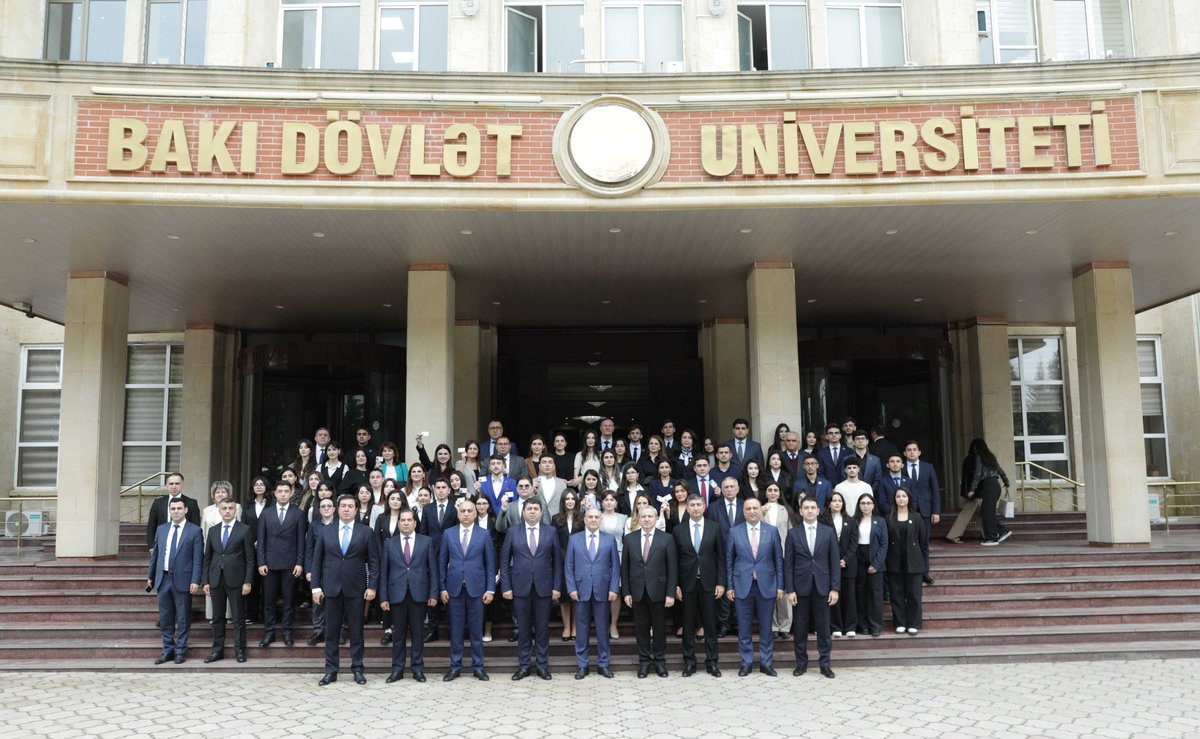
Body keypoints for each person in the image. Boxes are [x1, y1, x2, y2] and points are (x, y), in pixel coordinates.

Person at [312, 494, 381, 686]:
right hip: (331, 589)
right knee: (331, 632)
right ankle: (330, 670)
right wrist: (315, 587)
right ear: (337, 508)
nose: (346, 509)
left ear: (356, 510)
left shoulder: (366, 532)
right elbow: (316, 562)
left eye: (351, 506)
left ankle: (357, 669)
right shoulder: (326, 531)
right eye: (343, 506)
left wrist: (372, 586)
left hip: (356, 590)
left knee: (357, 632)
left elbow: (374, 563)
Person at [500, 496, 561, 680]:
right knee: (523, 630)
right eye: (529, 509)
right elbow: (504, 561)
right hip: (520, 588)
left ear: (541, 512)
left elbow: (558, 561)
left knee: (542, 630)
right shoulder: (512, 532)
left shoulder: (550, 532)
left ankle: (542, 666)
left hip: (544, 588)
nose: (532, 511)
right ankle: (524, 666)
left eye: (536, 508)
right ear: (523, 512)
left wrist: (557, 586)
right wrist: (506, 587)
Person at [439, 498, 496, 681]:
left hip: (477, 590)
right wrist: (442, 588)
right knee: (455, 631)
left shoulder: (484, 534)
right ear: (457, 514)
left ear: (475, 513)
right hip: (454, 590)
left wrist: (490, 589)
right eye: (462, 511)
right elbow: (441, 563)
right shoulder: (448, 534)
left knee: (476, 632)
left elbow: (490, 565)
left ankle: (478, 667)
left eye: (469, 511)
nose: (466, 514)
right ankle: (455, 667)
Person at [379, 508, 438, 683]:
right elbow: (384, 572)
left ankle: (417, 669)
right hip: (396, 595)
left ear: (415, 523)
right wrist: (383, 597)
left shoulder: (426, 542)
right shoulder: (389, 543)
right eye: (402, 520)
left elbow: (433, 571)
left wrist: (434, 593)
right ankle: (397, 669)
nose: (405, 523)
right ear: (398, 524)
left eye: (409, 520)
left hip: (419, 594)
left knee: (418, 635)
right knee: (398, 636)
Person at [726, 497, 783, 676]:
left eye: (755, 508)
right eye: (748, 508)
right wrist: (729, 586)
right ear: (743, 511)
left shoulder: (772, 531)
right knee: (744, 627)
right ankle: (747, 662)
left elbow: (778, 560)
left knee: (766, 627)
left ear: (761, 510)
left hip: (767, 585)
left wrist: (780, 585)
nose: (752, 511)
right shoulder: (734, 531)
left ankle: (766, 663)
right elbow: (729, 561)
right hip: (742, 585)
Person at [785, 496, 840, 679]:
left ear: (818, 511)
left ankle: (825, 664)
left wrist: (835, 588)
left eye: (812, 507)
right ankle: (801, 664)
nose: (809, 510)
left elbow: (834, 562)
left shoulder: (828, 532)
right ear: (800, 511)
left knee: (824, 629)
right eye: (806, 507)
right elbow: (789, 564)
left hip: (823, 588)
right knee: (800, 628)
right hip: (800, 589)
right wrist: (790, 590)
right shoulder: (793, 533)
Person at [672, 494, 726, 677]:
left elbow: (720, 557)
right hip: (686, 584)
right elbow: (674, 560)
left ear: (704, 507)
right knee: (688, 625)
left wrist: (721, 582)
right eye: (692, 505)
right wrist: (675, 585)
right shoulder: (678, 530)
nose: (695, 508)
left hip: (709, 583)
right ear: (687, 508)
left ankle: (712, 662)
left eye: (698, 504)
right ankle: (689, 662)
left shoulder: (714, 527)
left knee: (710, 624)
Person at [622, 505, 678, 678]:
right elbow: (625, 568)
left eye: (650, 516)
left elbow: (672, 568)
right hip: (637, 592)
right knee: (641, 630)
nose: (646, 519)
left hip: (659, 592)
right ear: (638, 519)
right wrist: (627, 592)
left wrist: (670, 593)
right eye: (643, 516)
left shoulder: (667, 539)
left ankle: (660, 662)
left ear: (656, 519)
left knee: (660, 629)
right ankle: (644, 662)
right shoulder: (630, 539)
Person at [565, 507, 620, 680]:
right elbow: (569, 566)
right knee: (582, 630)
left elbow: (615, 567)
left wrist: (613, 588)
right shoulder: (574, 539)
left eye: (597, 517)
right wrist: (571, 588)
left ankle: (603, 664)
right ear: (585, 519)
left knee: (603, 630)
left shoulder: (610, 540)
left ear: (601, 520)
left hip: (603, 591)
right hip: (580, 591)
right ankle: (582, 665)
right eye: (590, 517)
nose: (594, 520)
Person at [147, 498, 202, 664]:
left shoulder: (195, 531)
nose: (176, 511)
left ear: (185, 510)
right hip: (163, 578)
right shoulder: (161, 529)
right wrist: (150, 576)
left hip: (184, 580)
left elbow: (198, 559)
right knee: (165, 617)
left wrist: (195, 580)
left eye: (179, 508)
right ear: (169, 511)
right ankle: (168, 650)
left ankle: (180, 651)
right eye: (173, 509)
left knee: (183, 617)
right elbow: (156, 555)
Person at [201, 498, 254, 664]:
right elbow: (207, 557)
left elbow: (250, 559)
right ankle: (217, 650)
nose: (228, 511)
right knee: (217, 618)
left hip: (237, 580)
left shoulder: (244, 530)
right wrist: (206, 581)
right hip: (216, 579)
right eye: (224, 508)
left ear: (235, 510)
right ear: (219, 510)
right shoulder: (213, 530)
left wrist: (248, 581)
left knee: (238, 617)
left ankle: (240, 650)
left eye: (231, 508)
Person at [257, 480, 306, 648]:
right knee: (269, 601)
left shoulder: (298, 513)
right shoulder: (266, 513)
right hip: (269, 564)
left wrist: (300, 563)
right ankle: (269, 633)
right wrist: (261, 562)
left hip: (290, 563)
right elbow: (261, 540)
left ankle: (287, 632)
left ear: (291, 493)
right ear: (275, 493)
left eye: (286, 490)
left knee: (289, 600)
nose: (283, 494)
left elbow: (301, 541)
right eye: (280, 491)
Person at [954, 437, 1013, 546]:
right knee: (985, 512)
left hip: (988, 486)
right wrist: (1007, 483)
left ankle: (992, 538)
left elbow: (977, 474)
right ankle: (1002, 531)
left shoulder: (978, 458)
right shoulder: (990, 457)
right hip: (996, 485)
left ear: (976, 448)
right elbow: (1001, 471)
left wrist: (971, 490)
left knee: (987, 513)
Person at [420, 478, 457, 641]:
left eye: (444, 487)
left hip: (452, 554)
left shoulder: (455, 508)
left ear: (449, 490)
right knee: (432, 591)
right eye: (438, 487)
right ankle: (432, 631)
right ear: (434, 490)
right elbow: (423, 532)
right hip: (431, 555)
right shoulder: (427, 509)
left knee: (451, 592)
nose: (441, 490)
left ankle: (451, 629)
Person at [886, 488, 926, 636]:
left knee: (914, 594)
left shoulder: (916, 517)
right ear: (894, 499)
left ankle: (914, 623)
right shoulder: (889, 517)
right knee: (896, 594)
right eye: (898, 496)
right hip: (894, 561)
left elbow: (923, 543)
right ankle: (900, 622)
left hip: (914, 562)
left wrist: (924, 564)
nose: (901, 499)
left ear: (908, 498)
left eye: (904, 496)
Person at [708, 477, 744, 638]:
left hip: (742, 554)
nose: (729, 489)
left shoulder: (745, 506)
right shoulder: (714, 507)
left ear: (737, 489)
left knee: (739, 588)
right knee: (722, 587)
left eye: (732, 486)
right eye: (726, 487)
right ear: (721, 490)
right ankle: (724, 623)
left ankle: (737, 623)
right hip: (720, 553)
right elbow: (711, 530)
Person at [902, 441, 940, 585]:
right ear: (905, 453)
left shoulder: (928, 467)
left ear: (919, 452)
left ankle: (925, 573)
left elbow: (935, 490)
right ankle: (910, 572)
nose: (912, 452)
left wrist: (936, 511)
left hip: (925, 510)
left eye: (914, 450)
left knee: (923, 543)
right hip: (907, 510)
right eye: (909, 450)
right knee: (908, 543)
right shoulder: (901, 467)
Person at [761, 482, 795, 638]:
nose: (773, 493)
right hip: (765, 554)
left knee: (785, 590)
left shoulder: (785, 510)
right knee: (770, 590)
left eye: (775, 490)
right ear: (766, 493)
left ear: (779, 493)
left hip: (783, 553)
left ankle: (785, 626)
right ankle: (774, 626)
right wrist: (760, 513)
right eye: (770, 490)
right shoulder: (760, 509)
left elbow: (790, 533)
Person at [823, 492, 858, 638]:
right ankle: (835, 626)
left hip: (847, 565)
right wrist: (833, 561)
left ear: (843, 504)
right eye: (834, 500)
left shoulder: (850, 521)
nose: (837, 503)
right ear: (829, 503)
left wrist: (845, 559)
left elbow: (854, 543)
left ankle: (850, 626)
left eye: (839, 501)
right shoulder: (823, 521)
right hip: (829, 565)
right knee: (833, 596)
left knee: (849, 596)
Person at [852, 493, 887, 637]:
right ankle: (863, 625)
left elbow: (884, 544)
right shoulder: (854, 521)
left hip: (875, 559)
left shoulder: (880, 521)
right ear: (859, 506)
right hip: (858, 559)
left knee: (875, 594)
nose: (865, 506)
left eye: (868, 503)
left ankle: (875, 626)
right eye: (862, 503)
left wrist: (876, 564)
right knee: (861, 593)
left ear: (873, 505)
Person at [374, 490, 407, 645]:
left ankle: (401, 628)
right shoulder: (381, 518)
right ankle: (387, 630)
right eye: (392, 498)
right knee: (386, 595)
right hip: (384, 562)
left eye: (398, 499)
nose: (395, 501)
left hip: (404, 563)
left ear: (402, 501)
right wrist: (383, 558)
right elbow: (376, 540)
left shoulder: (408, 518)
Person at [304, 497, 337, 646]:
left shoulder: (339, 524)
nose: (326, 508)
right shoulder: (314, 526)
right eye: (323, 506)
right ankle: (318, 631)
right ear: (319, 509)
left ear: (334, 509)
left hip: (336, 568)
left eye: (329, 506)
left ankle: (338, 631)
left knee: (337, 600)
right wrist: (309, 569)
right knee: (318, 601)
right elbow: (309, 550)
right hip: (318, 568)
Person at [597, 490, 628, 639]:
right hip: (599, 557)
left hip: (619, 555)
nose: (609, 502)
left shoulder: (624, 518)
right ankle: (602, 624)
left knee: (616, 591)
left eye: (612, 499)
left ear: (616, 502)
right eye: (606, 499)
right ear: (601, 502)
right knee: (601, 590)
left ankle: (613, 625)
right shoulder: (596, 516)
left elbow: (627, 539)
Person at [242, 474, 272, 624]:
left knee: (268, 583)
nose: (259, 486)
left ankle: (267, 615)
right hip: (251, 547)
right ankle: (251, 614)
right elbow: (244, 526)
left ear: (266, 487)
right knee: (252, 581)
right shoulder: (247, 506)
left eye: (261, 484)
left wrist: (262, 540)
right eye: (256, 484)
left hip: (269, 547)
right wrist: (252, 541)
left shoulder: (272, 504)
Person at [145, 472, 201, 550]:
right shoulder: (158, 503)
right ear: (167, 485)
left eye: (177, 483)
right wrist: (151, 547)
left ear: (182, 485)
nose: (174, 486)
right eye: (171, 484)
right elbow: (151, 526)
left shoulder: (192, 503)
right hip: (162, 544)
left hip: (184, 545)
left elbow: (196, 527)